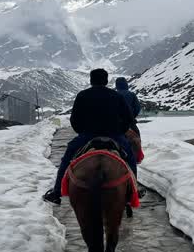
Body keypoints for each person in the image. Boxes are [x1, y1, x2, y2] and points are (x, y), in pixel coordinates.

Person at [43, 68, 136, 205]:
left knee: (68, 157)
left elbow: (74, 120)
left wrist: (82, 132)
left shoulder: (82, 95)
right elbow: (128, 118)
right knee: (131, 158)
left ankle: (57, 193)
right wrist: (119, 131)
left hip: (88, 135)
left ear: (91, 80)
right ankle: (133, 193)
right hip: (114, 135)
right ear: (105, 80)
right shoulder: (117, 96)